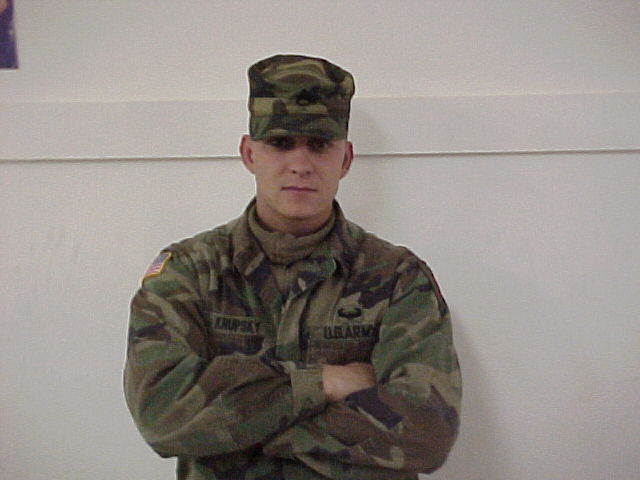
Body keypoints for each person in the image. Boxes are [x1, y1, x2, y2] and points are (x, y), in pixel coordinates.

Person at [124, 54, 462, 480]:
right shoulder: (189, 273)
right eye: (281, 143)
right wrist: (324, 383)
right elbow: (160, 413)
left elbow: (426, 433)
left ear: (345, 159)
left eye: (320, 145)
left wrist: (235, 424)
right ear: (249, 153)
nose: (301, 165)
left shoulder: (397, 278)